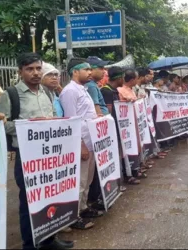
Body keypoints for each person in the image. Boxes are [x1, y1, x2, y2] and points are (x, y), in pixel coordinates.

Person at [0, 53, 74, 249]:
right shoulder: (11, 94)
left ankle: (49, 239)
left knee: (50, 196)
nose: (36, 73)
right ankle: (30, 244)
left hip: (49, 155)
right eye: (30, 69)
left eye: (38, 68)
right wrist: (31, 125)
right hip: (27, 157)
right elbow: (3, 125)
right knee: (28, 201)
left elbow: (56, 117)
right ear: (20, 71)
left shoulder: (48, 92)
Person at [60, 58, 103, 230]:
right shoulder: (70, 91)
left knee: (88, 178)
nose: (90, 72)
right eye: (86, 69)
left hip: (91, 139)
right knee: (80, 180)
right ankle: (74, 215)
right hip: (82, 141)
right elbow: (72, 120)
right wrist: (80, 145)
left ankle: (83, 208)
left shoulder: (83, 89)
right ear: (75, 72)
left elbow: (86, 114)